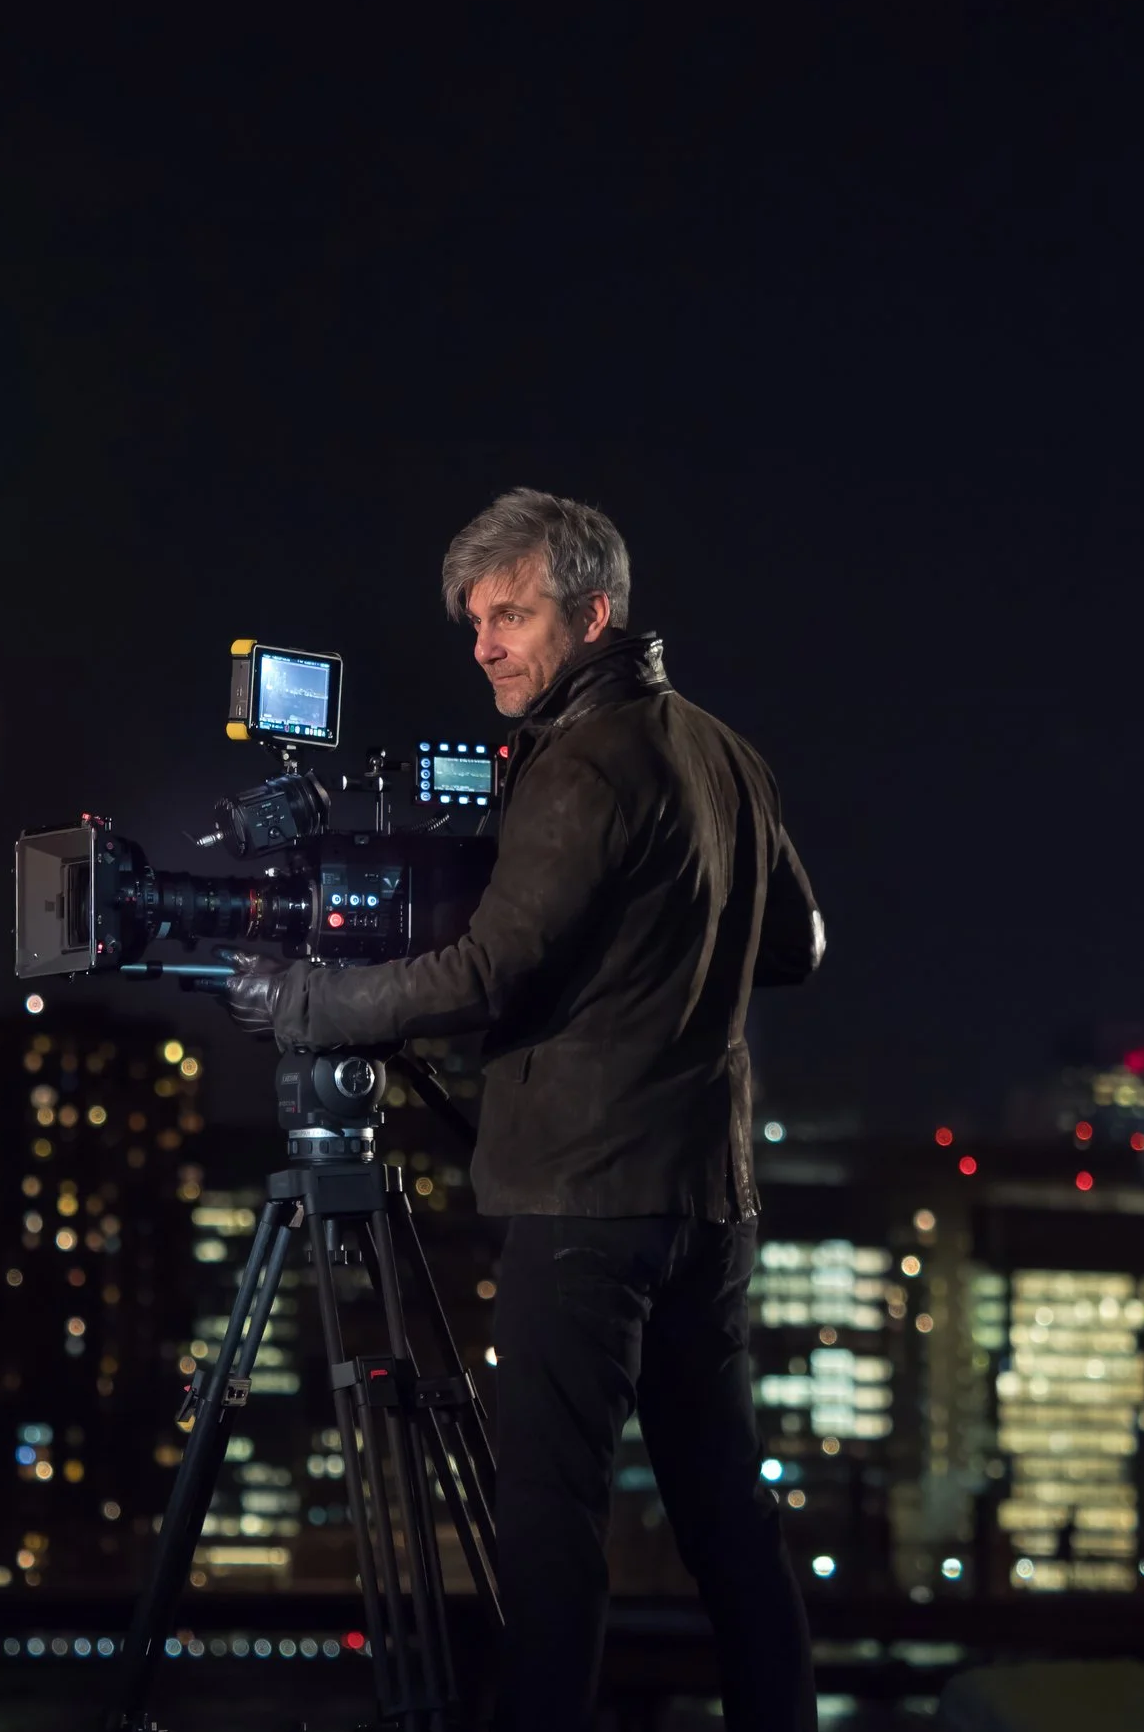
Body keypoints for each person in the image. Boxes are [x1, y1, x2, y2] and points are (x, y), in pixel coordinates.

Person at [220, 487, 825, 1732]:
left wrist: (302, 1001)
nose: (485, 646)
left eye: (512, 616)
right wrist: (663, 950)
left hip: (583, 1195)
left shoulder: (583, 761)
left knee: (551, 1524)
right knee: (726, 1517)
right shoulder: (724, 752)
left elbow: (485, 975)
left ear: (592, 616)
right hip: (706, 1198)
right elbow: (797, 947)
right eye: (476, 623)